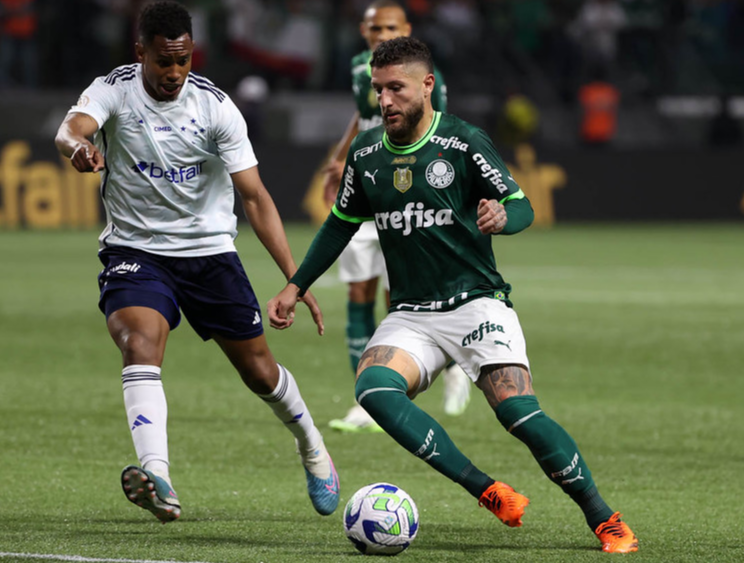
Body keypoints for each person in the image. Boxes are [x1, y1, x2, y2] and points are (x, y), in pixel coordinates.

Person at [268, 36, 638, 553]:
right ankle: (486, 490)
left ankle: (603, 517)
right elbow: (339, 226)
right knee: (374, 390)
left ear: (427, 85)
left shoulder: (463, 143)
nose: (385, 101)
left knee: (516, 412)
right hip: (412, 315)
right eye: (378, 90)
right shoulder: (366, 154)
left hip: (476, 303)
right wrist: (295, 285)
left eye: (396, 88)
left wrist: (504, 217)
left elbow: (522, 204)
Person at [54, 0, 339, 523]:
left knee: (259, 372)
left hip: (209, 255)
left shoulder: (215, 108)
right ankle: (157, 477)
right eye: (164, 62)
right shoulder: (114, 88)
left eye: (183, 61)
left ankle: (312, 445)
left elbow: (254, 198)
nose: (174, 73)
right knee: (140, 343)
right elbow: (70, 128)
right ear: (141, 52)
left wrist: (296, 280)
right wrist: (77, 147)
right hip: (135, 251)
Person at [321, 0, 471, 434]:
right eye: (373, 29)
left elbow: (440, 126)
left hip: (400, 192)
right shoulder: (357, 71)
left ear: (406, 28)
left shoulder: (428, 79)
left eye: (389, 27)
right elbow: (364, 114)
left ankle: (444, 369)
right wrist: (339, 154)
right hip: (364, 182)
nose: (380, 35)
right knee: (357, 292)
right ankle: (365, 400)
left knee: (398, 298)